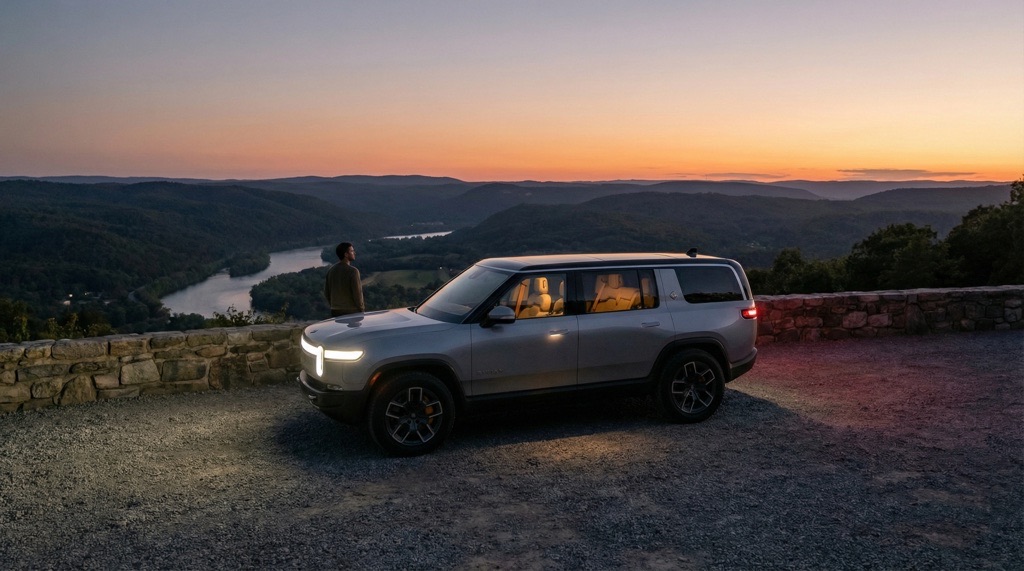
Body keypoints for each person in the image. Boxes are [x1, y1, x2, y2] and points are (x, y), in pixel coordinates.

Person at [324, 242, 365, 317]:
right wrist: (361, 309)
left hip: (335, 311)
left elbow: (327, 293)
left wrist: (333, 306)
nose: (354, 253)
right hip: (352, 311)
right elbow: (357, 293)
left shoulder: (331, 271)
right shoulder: (353, 271)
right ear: (346, 254)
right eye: (352, 251)